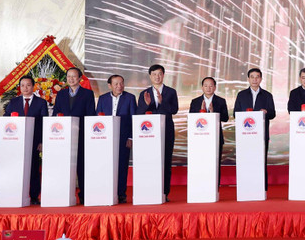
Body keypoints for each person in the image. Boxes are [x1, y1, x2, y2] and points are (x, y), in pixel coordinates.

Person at [52, 66, 96, 204]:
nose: (71, 79)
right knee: (64, 165)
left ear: (80, 78)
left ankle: (84, 194)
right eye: (68, 76)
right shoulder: (61, 94)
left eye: (74, 76)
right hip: (64, 136)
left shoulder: (87, 94)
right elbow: (56, 113)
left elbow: (90, 115)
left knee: (82, 166)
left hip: (81, 135)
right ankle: (64, 193)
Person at [136, 64, 179, 202]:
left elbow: (174, 110)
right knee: (150, 159)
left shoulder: (171, 92)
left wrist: (162, 102)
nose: (157, 77)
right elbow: (139, 113)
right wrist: (148, 104)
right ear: (150, 76)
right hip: (148, 133)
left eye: (159, 74)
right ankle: (150, 189)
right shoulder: (144, 93)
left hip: (166, 130)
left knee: (166, 160)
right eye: (154, 74)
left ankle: (165, 192)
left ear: (163, 75)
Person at [4, 75, 49, 205]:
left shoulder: (41, 102)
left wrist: (41, 141)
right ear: (19, 87)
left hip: (34, 141)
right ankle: (16, 193)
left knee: (34, 169)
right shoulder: (13, 102)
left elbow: (43, 123)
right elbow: (6, 119)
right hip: (16, 141)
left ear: (33, 86)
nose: (25, 88)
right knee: (17, 168)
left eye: (28, 85)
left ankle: (34, 196)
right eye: (22, 85)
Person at [233, 68, 276, 191]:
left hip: (261, 135)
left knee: (261, 161)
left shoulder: (267, 95)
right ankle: (246, 187)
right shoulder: (241, 95)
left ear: (261, 79)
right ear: (248, 79)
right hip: (246, 135)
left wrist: (266, 112)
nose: (255, 79)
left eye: (257, 77)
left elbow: (273, 114)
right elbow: (236, 114)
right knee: (246, 161)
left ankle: (262, 188)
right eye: (252, 77)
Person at [96, 74, 137, 203]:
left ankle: (121, 193)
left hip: (123, 138)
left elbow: (133, 119)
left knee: (122, 165)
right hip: (105, 138)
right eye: (116, 84)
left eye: (121, 83)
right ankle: (106, 190)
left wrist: (131, 137)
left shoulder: (130, 98)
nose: (120, 86)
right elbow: (98, 118)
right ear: (109, 85)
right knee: (106, 165)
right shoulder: (102, 99)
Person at [188, 76, 229, 187]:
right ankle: (201, 185)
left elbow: (225, 118)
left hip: (215, 138)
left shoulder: (221, 101)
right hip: (199, 137)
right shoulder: (195, 101)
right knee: (201, 162)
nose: (208, 88)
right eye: (206, 86)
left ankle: (215, 186)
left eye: (211, 86)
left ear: (215, 87)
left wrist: (213, 112)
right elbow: (191, 120)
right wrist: (201, 113)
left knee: (215, 163)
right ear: (202, 87)